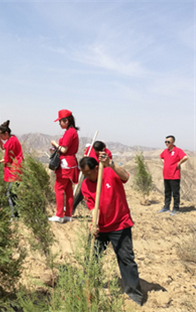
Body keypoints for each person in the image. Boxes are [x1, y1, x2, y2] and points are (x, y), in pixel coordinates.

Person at [80, 154, 144, 306]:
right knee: (91, 257)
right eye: (84, 174)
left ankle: (134, 294)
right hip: (101, 227)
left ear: (97, 168)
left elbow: (126, 176)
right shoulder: (85, 185)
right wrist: (94, 223)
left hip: (120, 224)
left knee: (126, 259)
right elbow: (92, 208)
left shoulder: (109, 172)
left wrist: (111, 164)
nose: (87, 177)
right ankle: (87, 286)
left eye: (89, 173)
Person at [49, 109, 79, 223]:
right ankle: (68, 215)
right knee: (68, 190)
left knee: (59, 188)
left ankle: (59, 215)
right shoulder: (73, 132)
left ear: (66, 121)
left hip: (66, 163)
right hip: (71, 163)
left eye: (60, 121)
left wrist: (55, 144)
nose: (59, 124)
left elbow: (64, 149)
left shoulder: (69, 132)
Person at [73, 141, 113, 215]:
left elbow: (108, 165)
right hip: (88, 172)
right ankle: (73, 207)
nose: (95, 152)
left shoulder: (107, 153)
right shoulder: (90, 148)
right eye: (94, 150)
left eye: (97, 151)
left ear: (103, 149)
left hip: (100, 175)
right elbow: (85, 156)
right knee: (83, 190)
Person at [0, 120, 24, 219]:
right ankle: (16, 215)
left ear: (6, 133)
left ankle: (14, 215)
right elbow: (3, 147)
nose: (2, 138)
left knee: (10, 193)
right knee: (12, 193)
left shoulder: (12, 141)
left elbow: (7, 157)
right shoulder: (12, 139)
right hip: (15, 168)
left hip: (15, 169)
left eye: (2, 136)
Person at [159, 135, 188, 216]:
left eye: (168, 142)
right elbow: (160, 157)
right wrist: (164, 162)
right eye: (165, 142)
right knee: (167, 192)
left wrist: (179, 163)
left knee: (175, 193)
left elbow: (185, 157)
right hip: (166, 175)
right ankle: (166, 207)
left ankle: (176, 208)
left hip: (174, 176)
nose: (166, 143)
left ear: (173, 142)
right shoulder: (165, 151)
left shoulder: (178, 150)